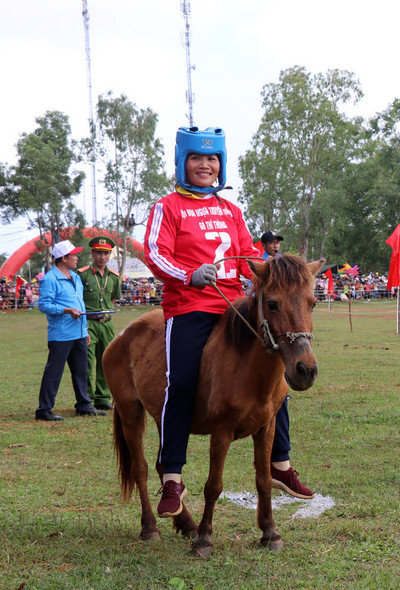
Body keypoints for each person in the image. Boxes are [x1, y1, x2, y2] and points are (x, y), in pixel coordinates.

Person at [145, 126, 267, 517]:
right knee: (179, 382)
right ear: (183, 161)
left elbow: (248, 255)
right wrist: (188, 274)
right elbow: (154, 253)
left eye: (212, 159)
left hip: (235, 307)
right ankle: (172, 476)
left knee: (275, 368)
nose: (205, 165)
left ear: (221, 165)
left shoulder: (232, 210)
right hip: (190, 305)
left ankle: (280, 463)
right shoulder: (168, 206)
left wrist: (272, 274)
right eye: (197, 158)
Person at [260, 229, 315, 500]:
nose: (275, 245)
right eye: (271, 242)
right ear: (264, 244)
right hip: (257, 326)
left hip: (279, 332)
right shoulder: (261, 264)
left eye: (277, 242)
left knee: (280, 394)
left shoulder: (285, 266)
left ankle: (281, 465)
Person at [35, 240, 106, 421]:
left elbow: (79, 304)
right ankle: (44, 410)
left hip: (79, 333)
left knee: (81, 371)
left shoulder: (75, 277)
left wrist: (85, 329)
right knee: (54, 372)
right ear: (63, 258)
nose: (77, 257)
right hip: (61, 334)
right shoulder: (50, 279)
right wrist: (66, 311)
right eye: (73, 255)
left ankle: (83, 405)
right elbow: (43, 305)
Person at [76, 235, 121, 410]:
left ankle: (103, 398)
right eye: (99, 253)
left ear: (110, 255)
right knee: (87, 361)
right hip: (88, 323)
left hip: (107, 323)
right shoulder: (82, 274)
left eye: (106, 253)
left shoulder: (115, 277)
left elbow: (113, 298)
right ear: (92, 254)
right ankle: (86, 400)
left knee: (107, 360)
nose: (102, 257)